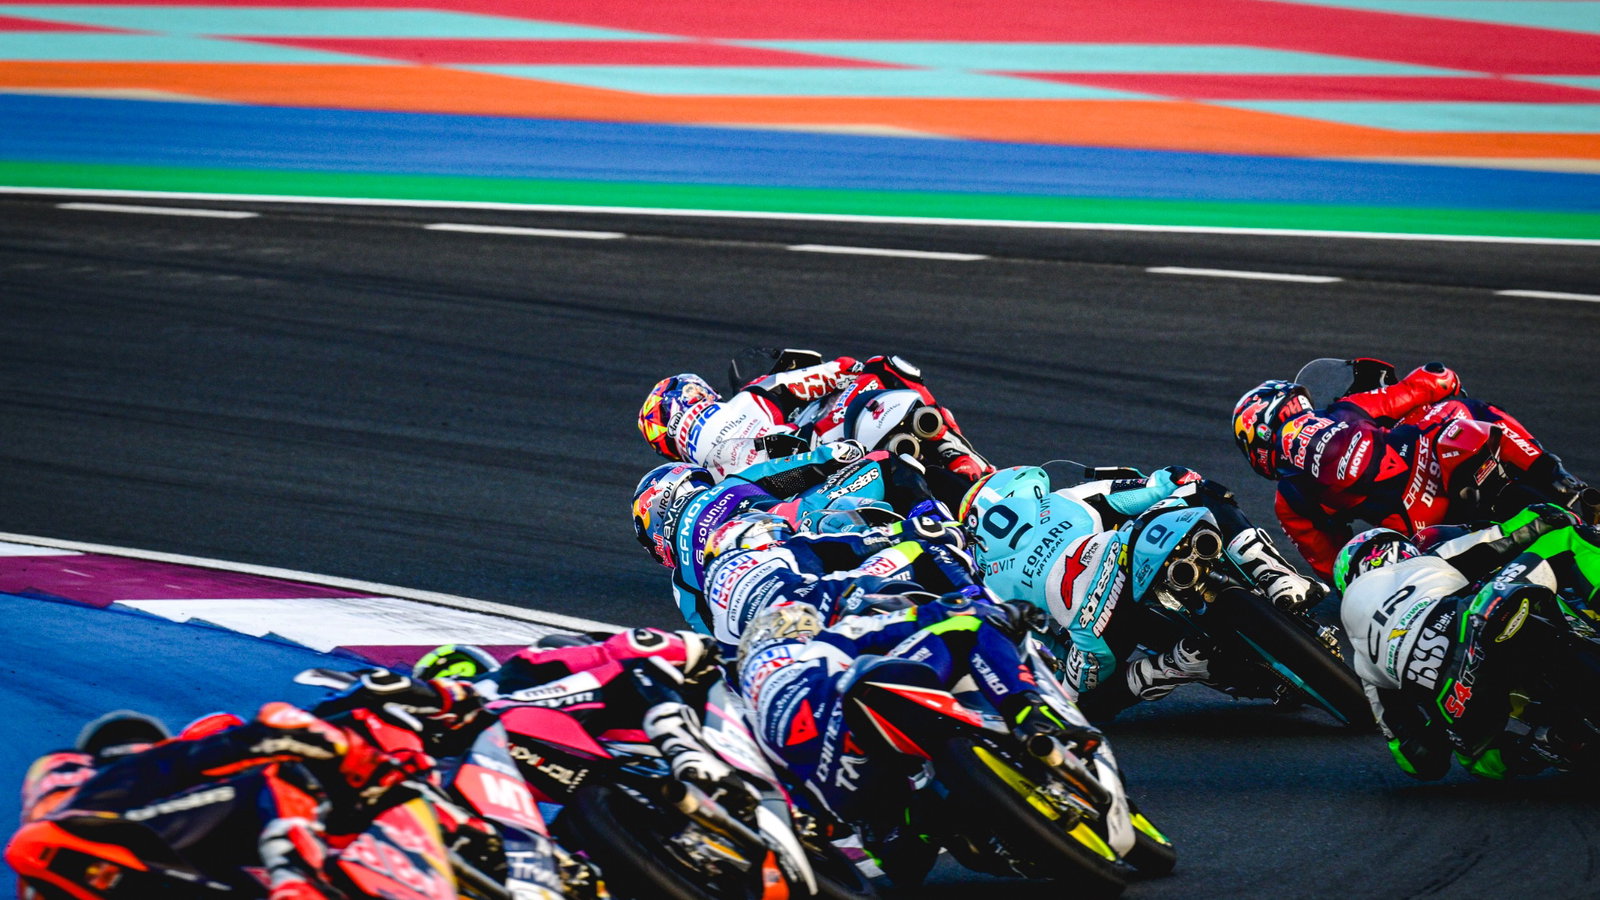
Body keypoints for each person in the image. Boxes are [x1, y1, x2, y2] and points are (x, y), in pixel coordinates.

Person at [735, 594, 1097, 886]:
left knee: (903, 866)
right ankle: (1028, 713)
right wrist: (1002, 610)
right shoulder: (823, 642)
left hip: (842, 796)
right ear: (799, 628)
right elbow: (930, 615)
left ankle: (938, 824)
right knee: (969, 626)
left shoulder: (745, 712)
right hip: (853, 716)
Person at [959, 464, 1324, 719]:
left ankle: (1171, 667)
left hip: (1094, 631)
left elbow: (1037, 650)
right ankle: (1275, 576)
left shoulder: (985, 577)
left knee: (1068, 704)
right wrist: (1176, 478)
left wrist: (1069, 655)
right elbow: (1158, 487)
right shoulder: (1062, 499)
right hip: (1119, 557)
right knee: (1203, 493)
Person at [8, 703, 431, 900]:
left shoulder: (185, 818)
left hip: (140, 868)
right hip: (76, 844)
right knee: (274, 781)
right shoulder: (77, 769)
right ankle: (298, 879)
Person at [1232, 361, 1595, 580]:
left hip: (1418, 528)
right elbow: (1417, 388)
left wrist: (1376, 579)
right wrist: (1443, 377)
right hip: (1436, 461)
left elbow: (1332, 563)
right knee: (1464, 410)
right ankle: (1552, 473)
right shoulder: (1346, 409)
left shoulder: (1289, 499)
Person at [1334, 503, 1600, 780]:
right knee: (1568, 538)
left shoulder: (1362, 658)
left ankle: (1547, 745)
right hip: (1471, 623)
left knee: (1478, 760)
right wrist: (1553, 513)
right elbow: (1505, 536)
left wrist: (1439, 724)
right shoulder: (1418, 565)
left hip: (1457, 701)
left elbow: (1417, 759)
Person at [632, 447, 948, 632]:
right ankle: (934, 521)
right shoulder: (730, 486)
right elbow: (812, 465)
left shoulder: (683, 584)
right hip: (804, 532)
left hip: (778, 605)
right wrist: (837, 453)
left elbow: (714, 632)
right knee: (887, 461)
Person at [638, 352, 989, 482]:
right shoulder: (750, 397)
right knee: (888, 369)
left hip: (784, 503)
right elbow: (840, 370)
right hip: (825, 453)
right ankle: (966, 462)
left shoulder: (685, 480)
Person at [700, 508, 979, 652]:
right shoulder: (779, 552)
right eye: (777, 533)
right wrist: (944, 531)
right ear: (753, 536)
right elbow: (863, 544)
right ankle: (981, 606)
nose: (783, 537)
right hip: (828, 606)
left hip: (785, 669)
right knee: (922, 550)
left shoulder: (718, 621)